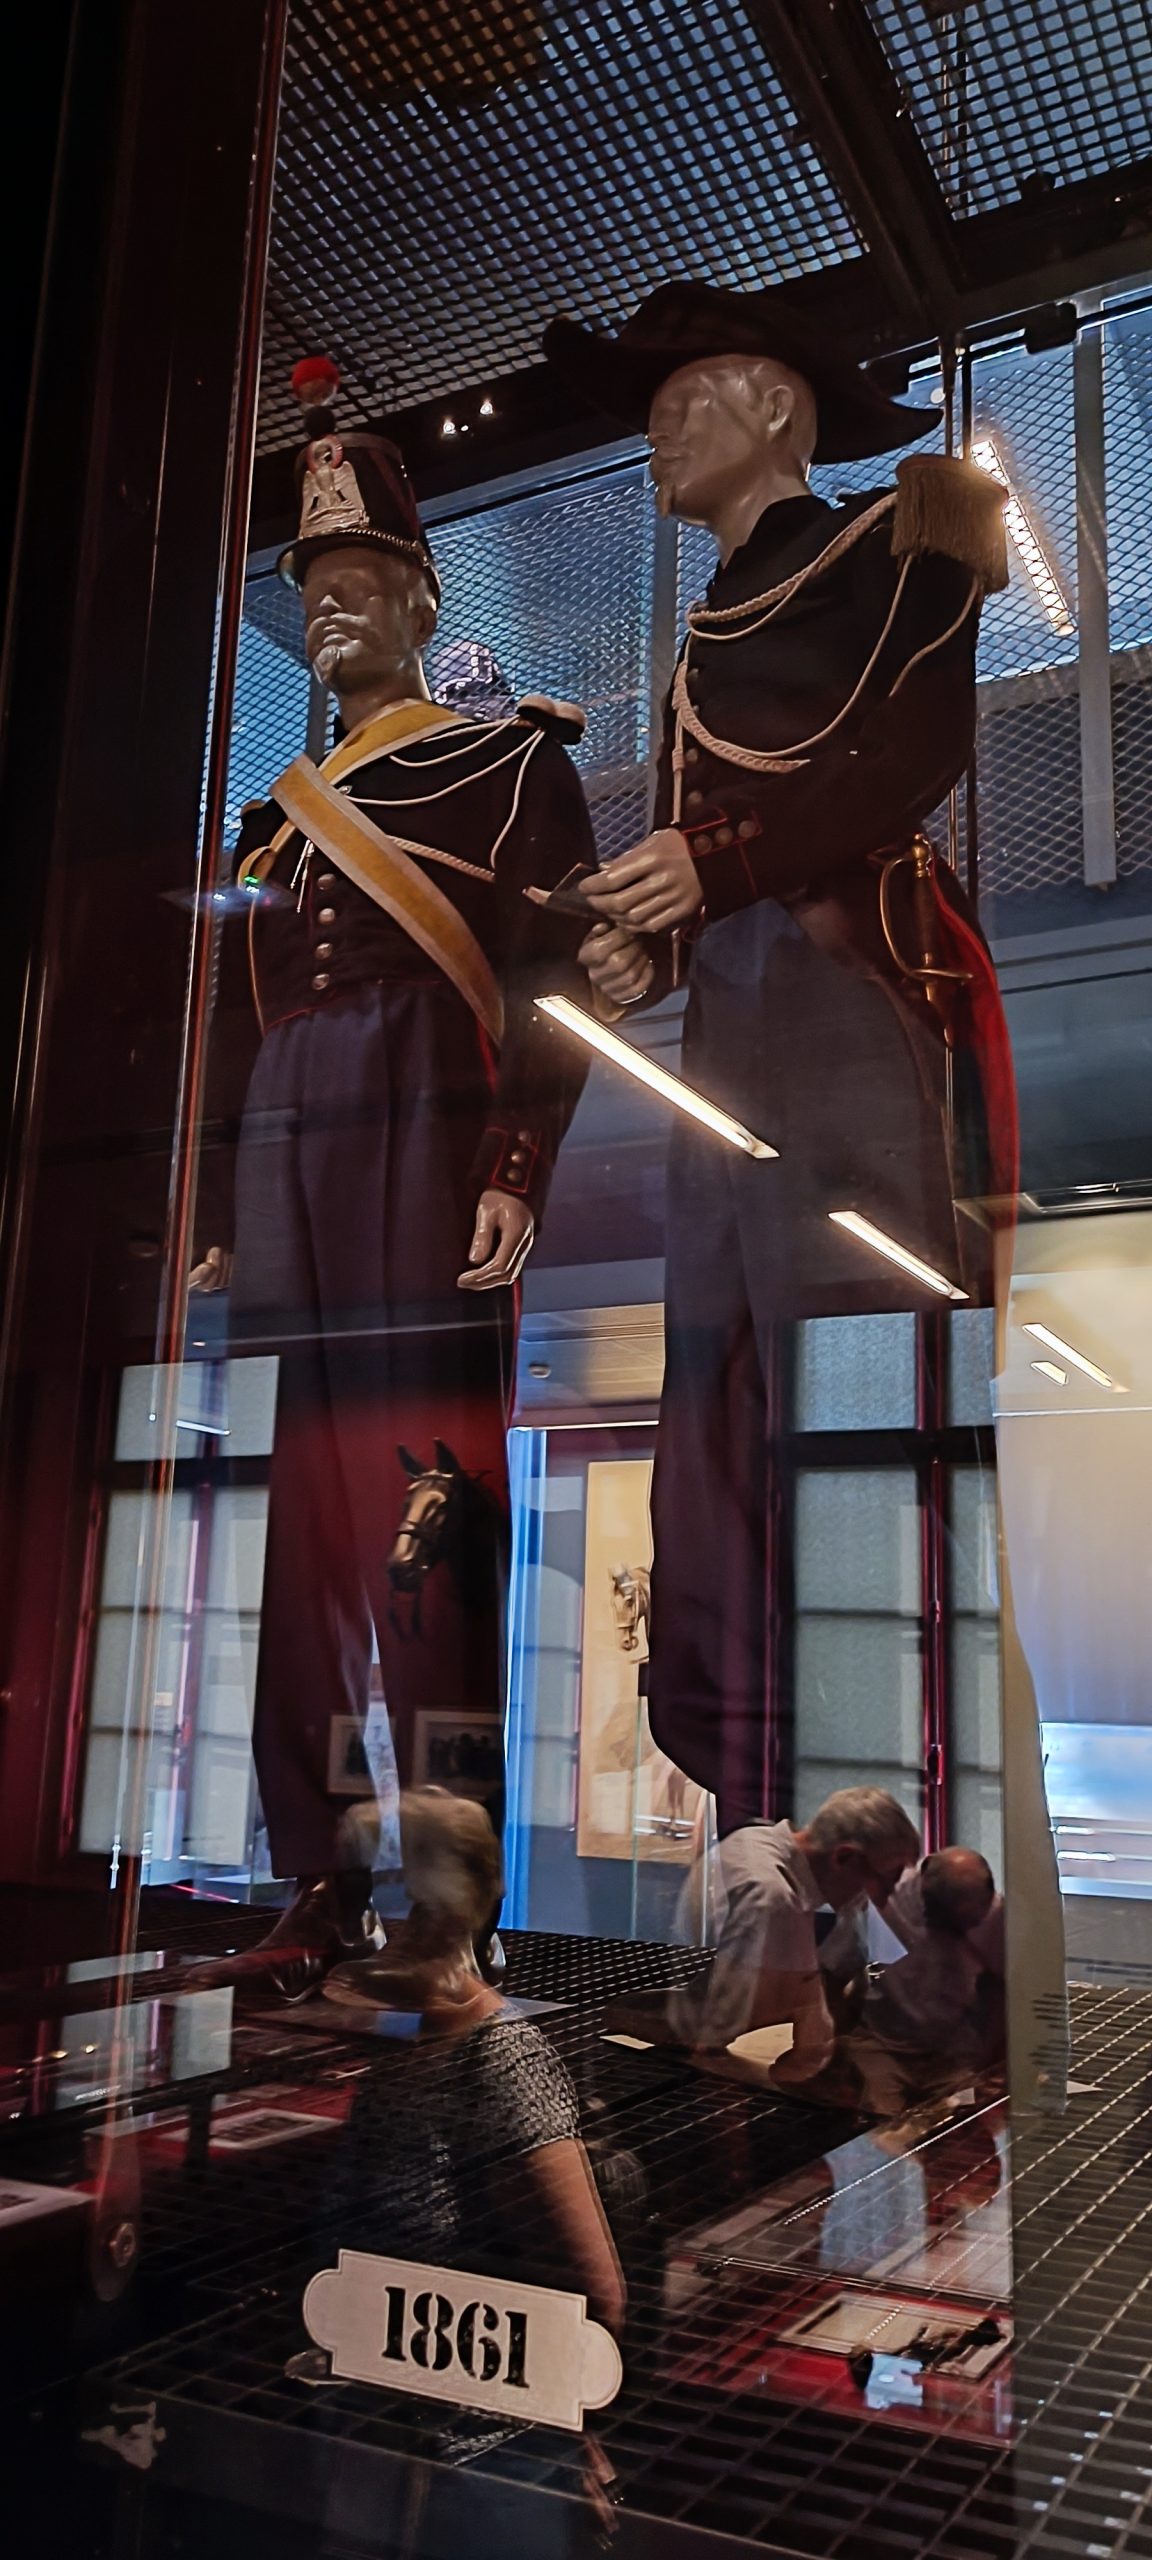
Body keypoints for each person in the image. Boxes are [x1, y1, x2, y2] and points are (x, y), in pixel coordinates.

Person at [543, 283, 1016, 1838]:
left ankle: (888, 1790)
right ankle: (754, 1770)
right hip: (732, 1015)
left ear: (775, 409)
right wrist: (654, 943)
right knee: (716, 1359)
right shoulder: (701, 626)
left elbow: (907, 755)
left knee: (853, 1341)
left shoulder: (905, 538)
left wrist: (718, 861)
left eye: (686, 401)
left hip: (846, 982)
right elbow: (714, 843)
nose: (660, 433)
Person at [191, 358, 595, 1989]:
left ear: (425, 599)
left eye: (363, 579)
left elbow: (552, 990)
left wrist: (518, 1160)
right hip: (290, 1142)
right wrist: (216, 1212)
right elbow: (233, 1029)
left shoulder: (512, 771)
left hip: (424, 1119)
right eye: (316, 587)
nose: (335, 606)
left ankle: (445, 1890)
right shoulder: (267, 831)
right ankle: (314, 1868)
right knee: (298, 1520)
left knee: (433, 1500)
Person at [327, 1789, 626, 2339]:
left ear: (434, 1907)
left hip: (452, 2381)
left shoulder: (501, 2058)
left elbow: (593, 2302)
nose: (360, 1919)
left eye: (377, 1891)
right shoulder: (415, 2031)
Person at [668, 1786, 921, 2082]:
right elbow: (708, 2041)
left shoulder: (766, 1841)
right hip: (693, 2042)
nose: (883, 1898)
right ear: (844, 1858)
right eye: (886, 1881)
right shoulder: (771, 1899)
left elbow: (835, 1978)